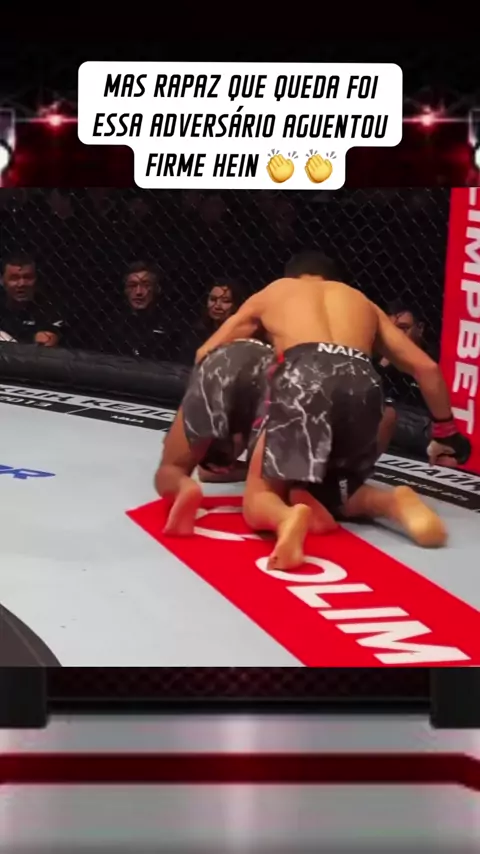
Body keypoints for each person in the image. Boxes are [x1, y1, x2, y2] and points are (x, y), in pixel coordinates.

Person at [196, 251, 471, 570]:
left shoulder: (275, 291)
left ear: (291, 276)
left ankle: (284, 518)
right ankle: (389, 501)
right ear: (334, 281)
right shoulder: (361, 301)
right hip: (363, 384)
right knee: (332, 490)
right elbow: (427, 368)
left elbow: (207, 353)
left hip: (303, 376)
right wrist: (445, 434)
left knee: (261, 494)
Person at [154, 337, 275, 535]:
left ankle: (183, 487)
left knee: (172, 467)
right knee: (269, 486)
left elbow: (203, 351)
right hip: (277, 372)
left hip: (222, 362)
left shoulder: (247, 320)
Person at [0, 254, 64, 346]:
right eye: (14, 278)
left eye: (27, 277)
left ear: (36, 279)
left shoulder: (49, 306)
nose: (21, 284)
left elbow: (47, 340)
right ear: (2, 281)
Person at [178, 281, 245, 364]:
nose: (217, 306)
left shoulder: (242, 336)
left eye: (225, 301)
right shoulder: (196, 332)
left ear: (235, 305)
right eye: (213, 299)